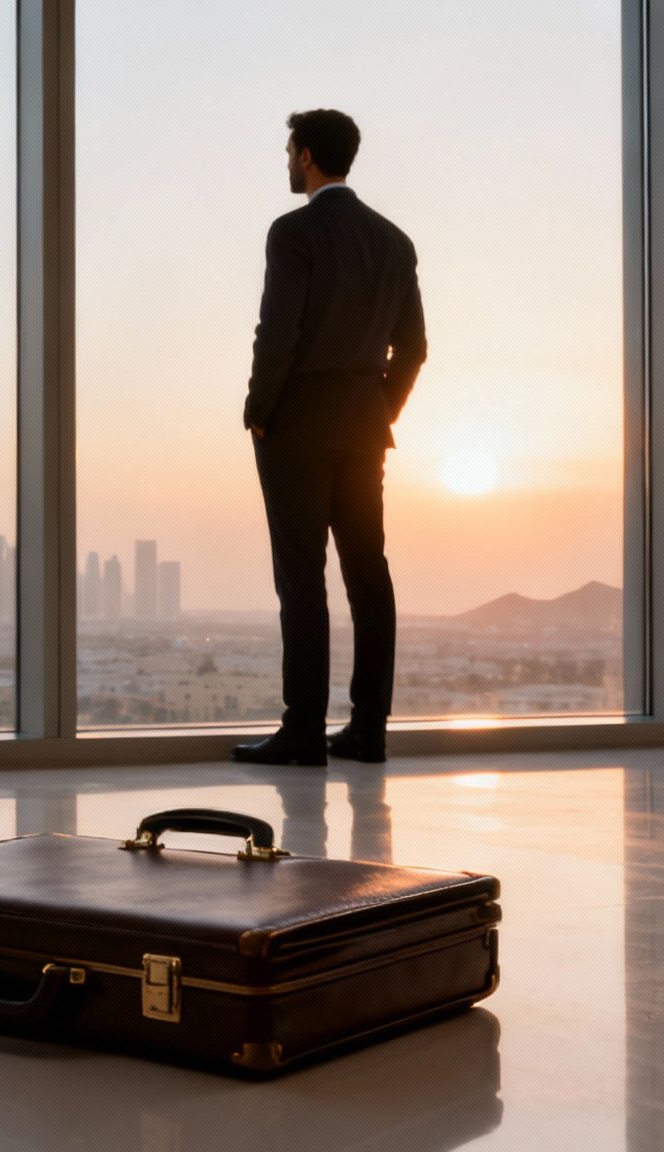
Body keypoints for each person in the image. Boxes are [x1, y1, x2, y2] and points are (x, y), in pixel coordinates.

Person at [231, 108, 426, 768]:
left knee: (301, 576)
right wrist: (381, 409)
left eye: (290, 151)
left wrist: (259, 410)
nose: (288, 162)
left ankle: (303, 732)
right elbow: (415, 347)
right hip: (363, 424)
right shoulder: (394, 240)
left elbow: (277, 331)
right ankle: (368, 730)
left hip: (297, 423)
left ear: (308, 156)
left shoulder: (294, 231)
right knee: (368, 574)